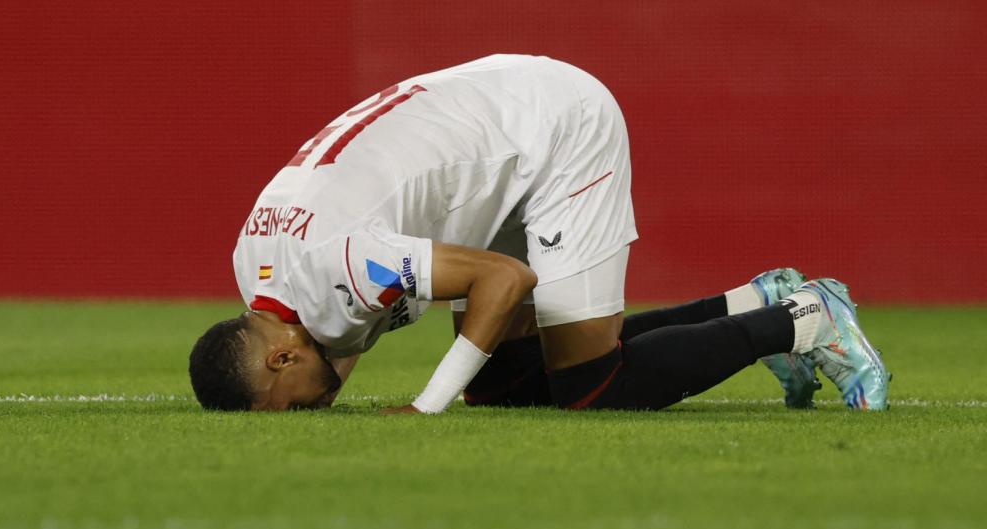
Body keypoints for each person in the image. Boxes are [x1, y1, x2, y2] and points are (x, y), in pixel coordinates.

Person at [188, 55, 890, 413]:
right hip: (489, 131)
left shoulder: (334, 262)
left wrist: (426, 404)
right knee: (507, 385)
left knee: (592, 384)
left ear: (281, 360)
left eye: (295, 407)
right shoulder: (262, 268)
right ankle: (757, 300)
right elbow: (342, 322)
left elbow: (505, 278)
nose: (315, 407)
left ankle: (804, 320)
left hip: (552, 128)